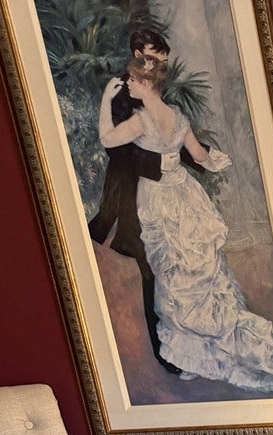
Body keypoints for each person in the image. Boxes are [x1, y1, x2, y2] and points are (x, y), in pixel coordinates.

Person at [98, 59, 273, 394]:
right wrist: (215, 159)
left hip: (162, 201)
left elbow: (107, 139)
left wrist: (106, 98)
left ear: (148, 84)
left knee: (175, 277)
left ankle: (194, 354)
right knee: (195, 273)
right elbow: (200, 156)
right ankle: (199, 351)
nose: (128, 84)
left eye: (133, 80)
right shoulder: (178, 116)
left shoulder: (140, 121)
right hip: (186, 196)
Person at [88, 29, 178, 372]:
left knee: (160, 267)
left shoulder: (152, 87)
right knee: (149, 267)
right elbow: (119, 151)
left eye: (163, 61)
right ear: (139, 52)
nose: (159, 66)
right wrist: (159, 164)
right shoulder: (121, 90)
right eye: (155, 57)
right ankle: (162, 352)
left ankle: (170, 349)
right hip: (132, 191)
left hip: (157, 193)